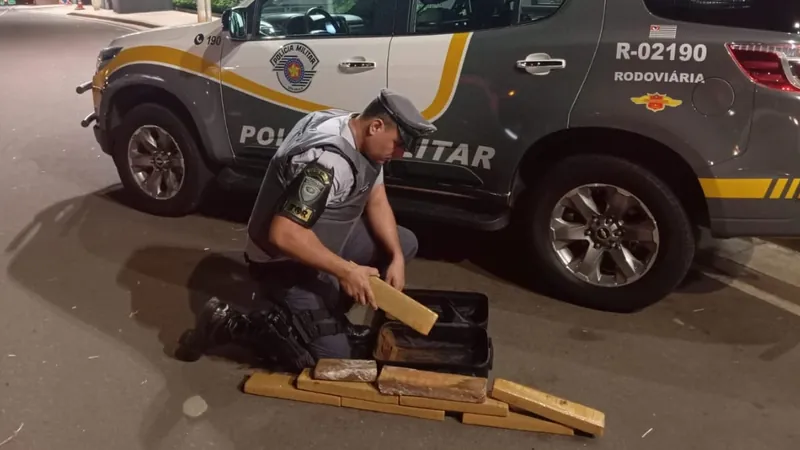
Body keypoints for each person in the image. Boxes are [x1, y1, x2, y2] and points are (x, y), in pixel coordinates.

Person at [177, 89, 437, 371]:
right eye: (398, 144)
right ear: (376, 126)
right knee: (333, 362)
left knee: (403, 242)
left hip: (322, 238)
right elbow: (284, 234)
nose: (399, 153)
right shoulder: (326, 162)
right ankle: (232, 324)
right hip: (283, 262)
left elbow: (375, 198)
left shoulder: (359, 133)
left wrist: (396, 257)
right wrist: (348, 271)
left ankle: (324, 313)